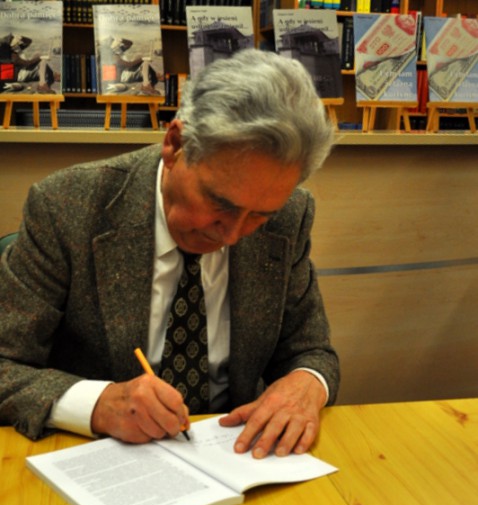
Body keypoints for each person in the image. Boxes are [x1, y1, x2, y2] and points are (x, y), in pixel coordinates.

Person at [0, 48, 339, 458]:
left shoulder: (290, 216)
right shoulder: (67, 206)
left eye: (259, 216)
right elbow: (5, 365)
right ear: (175, 145)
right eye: (220, 204)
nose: (233, 235)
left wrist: (308, 382)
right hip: (101, 458)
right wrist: (97, 403)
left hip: (235, 459)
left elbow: (310, 350)